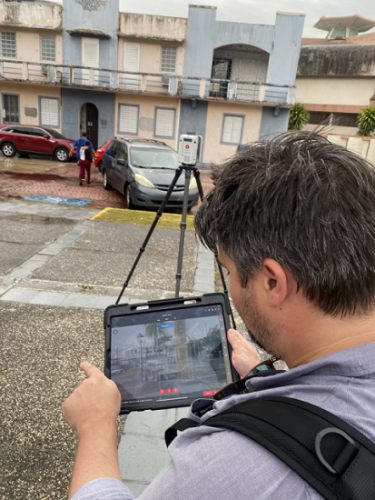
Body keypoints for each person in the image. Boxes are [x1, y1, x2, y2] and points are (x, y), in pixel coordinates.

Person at [62, 131, 375, 500]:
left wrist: (96, 427)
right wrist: (261, 377)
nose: (230, 286)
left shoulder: (227, 466)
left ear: (273, 281)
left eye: (228, 270)